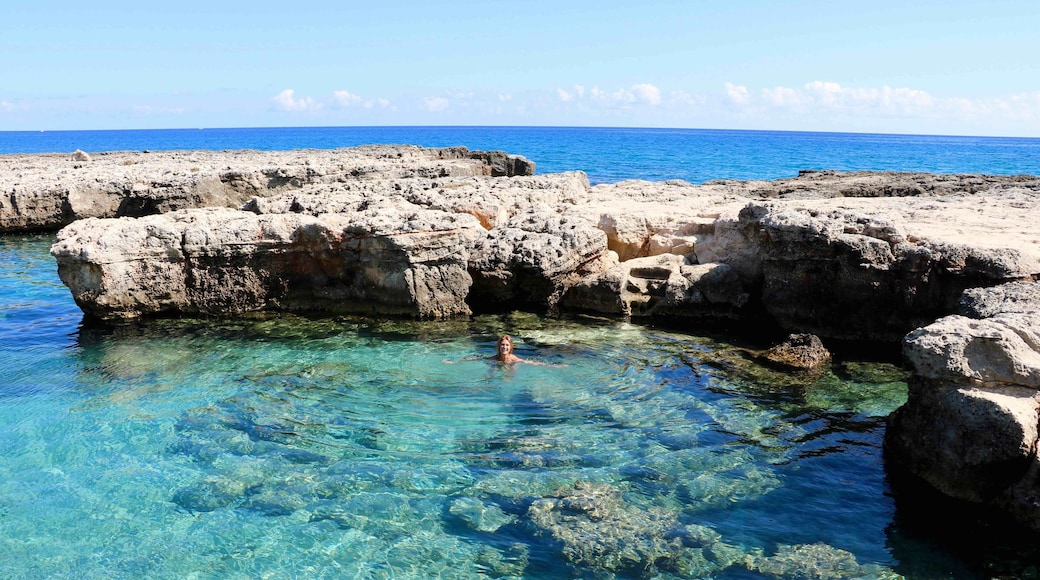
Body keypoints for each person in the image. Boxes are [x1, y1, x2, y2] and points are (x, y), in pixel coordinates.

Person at [445, 334, 564, 366]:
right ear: (499, 346)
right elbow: (478, 359)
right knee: (490, 372)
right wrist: (455, 362)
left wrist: (552, 366)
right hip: (497, 364)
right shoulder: (495, 358)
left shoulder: (513, 359)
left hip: (510, 367)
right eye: (502, 345)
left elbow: (530, 362)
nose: (504, 347)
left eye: (507, 345)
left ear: (510, 347)